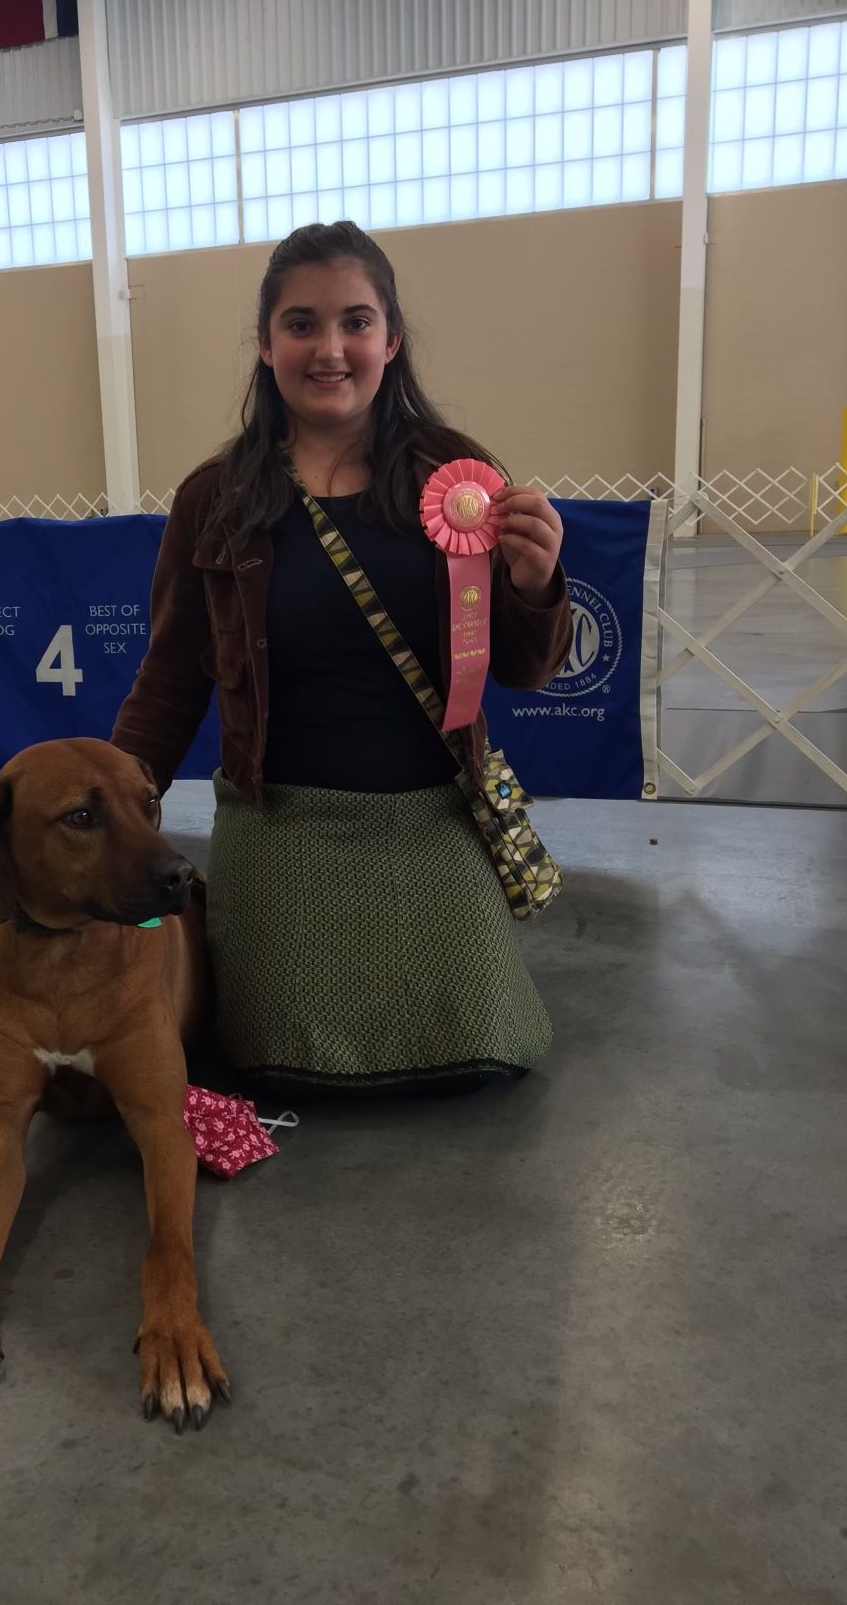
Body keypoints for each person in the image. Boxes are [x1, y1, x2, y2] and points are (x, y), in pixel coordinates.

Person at [112, 221, 572, 1096]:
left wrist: (536, 583)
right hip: (280, 825)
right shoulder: (212, 499)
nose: (330, 349)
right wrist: (107, 815)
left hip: (433, 817)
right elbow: (169, 680)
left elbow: (523, 669)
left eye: (356, 322)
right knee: (272, 1060)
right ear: (265, 343)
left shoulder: (460, 479)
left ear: (391, 340)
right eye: (301, 324)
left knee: (490, 1049)